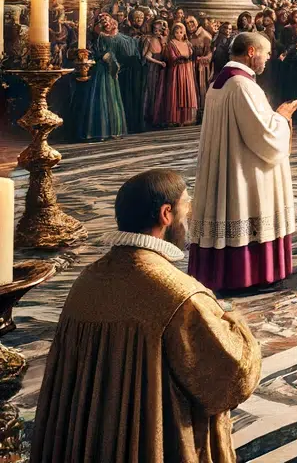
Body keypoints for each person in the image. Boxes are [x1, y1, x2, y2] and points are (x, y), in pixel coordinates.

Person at [32, 169, 261, 463]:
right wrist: (234, 320)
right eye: (186, 206)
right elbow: (230, 377)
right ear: (166, 214)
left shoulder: (87, 280)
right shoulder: (179, 293)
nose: (190, 215)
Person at [190, 31, 297, 293]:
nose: (269, 59)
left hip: (229, 164)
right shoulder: (242, 85)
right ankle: (249, 274)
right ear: (251, 52)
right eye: (267, 53)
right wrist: (282, 117)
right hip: (244, 171)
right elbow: (264, 136)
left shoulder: (223, 82)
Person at [67, 12, 130, 141]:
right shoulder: (92, 37)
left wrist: (111, 59)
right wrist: (100, 55)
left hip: (108, 70)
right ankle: (96, 131)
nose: (106, 24)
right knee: (97, 97)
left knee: (111, 98)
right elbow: (87, 50)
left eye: (108, 21)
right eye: (102, 22)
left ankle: (112, 130)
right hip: (97, 70)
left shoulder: (113, 36)